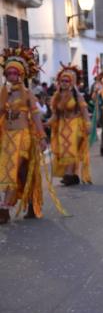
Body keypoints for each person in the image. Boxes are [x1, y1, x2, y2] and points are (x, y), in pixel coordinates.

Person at [0, 48, 65, 224]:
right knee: (14, 171)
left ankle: (5, 208)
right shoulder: (3, 93)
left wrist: (42, 137)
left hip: (24, 137)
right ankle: (26, 202)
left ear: (21, 75)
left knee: (14, 170)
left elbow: (36, 117)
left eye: (15, 73)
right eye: (8, 73)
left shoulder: (27, 93)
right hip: (7, 137)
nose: (11, 76)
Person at [48, 65, 92, 186]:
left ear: (71, 82)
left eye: (66, 81)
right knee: (64, 150)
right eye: (62, 80)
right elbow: (55, 115)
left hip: (75, 124)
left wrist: (88, 125)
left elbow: (84, 111)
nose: (64, 83)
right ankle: (72, 175)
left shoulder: (77, 96)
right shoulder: (57, 96)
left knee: (71, 149)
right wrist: (45, 123)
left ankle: (68, 175)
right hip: (62, 126)